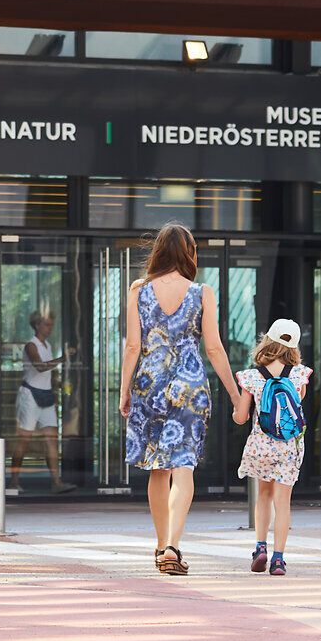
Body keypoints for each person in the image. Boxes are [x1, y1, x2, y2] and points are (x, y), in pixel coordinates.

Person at [120, 222, 242, 576]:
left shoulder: (138, 290)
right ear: (189, 253)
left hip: (149, 381)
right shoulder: (202, 292)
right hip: (189, 385)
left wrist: (125, 389)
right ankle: (173, 544)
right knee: (183, 465)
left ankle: (161, 547)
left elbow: (132, 346)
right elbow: (215, 348)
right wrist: (235, 396)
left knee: (158, 470)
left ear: (158, 251)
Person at [233, 319, 310, 575]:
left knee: (263, 496)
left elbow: (242, 417)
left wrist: (237, 411)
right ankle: (278, 559)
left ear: (267, 340)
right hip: (288, 447)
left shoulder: (252, 376)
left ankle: (260, 547)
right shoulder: (300, 374)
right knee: (283, 502)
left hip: (260, 445)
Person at [8, 308, 73, 495]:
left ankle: (56, 482)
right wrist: (63, 358)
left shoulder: (47, 345)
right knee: (24, 440)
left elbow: (47, 371)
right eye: (47, 324)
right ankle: (13, 482)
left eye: (51, 324)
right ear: (37, 325)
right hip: (30, 395)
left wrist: (57, 383)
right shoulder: (31, 345)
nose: (50, 327)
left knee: (51, 440)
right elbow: (39, 367)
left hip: (45, 394)